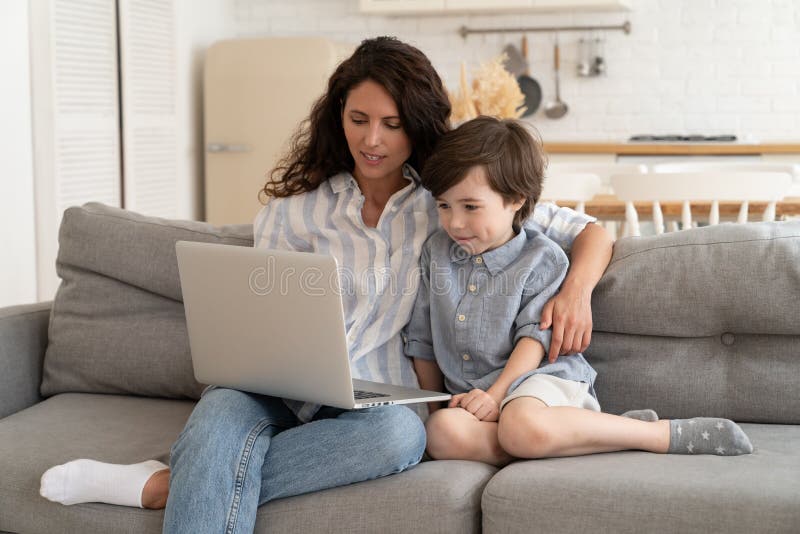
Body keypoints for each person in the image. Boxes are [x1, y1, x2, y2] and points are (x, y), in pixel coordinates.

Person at [39, 37, 614, 531]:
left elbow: (588, 231)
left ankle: (172, 482)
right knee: (217, 419)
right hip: (278, 384)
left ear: (416, 126)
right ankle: (196, 473)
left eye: (391, 124)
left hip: (374, 404)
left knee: (399, 439)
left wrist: (575, 291)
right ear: (337, 117)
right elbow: (254, 311)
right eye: (358, 119)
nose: (373, 140)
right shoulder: (296, 213)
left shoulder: (450, 203)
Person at [406, 116, 753, 466]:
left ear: (515, 199)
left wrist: (496, 397)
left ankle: (654, 434)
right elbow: (422, 341)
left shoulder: (543, 258)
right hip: (475, 401)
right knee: (441, 431)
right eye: (444, 206)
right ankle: (564, 438)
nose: (454, 222)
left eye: (470, 207)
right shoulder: (435, 253)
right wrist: (436, 406)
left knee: (520, 423)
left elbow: (534, 340)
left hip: (538, 383)